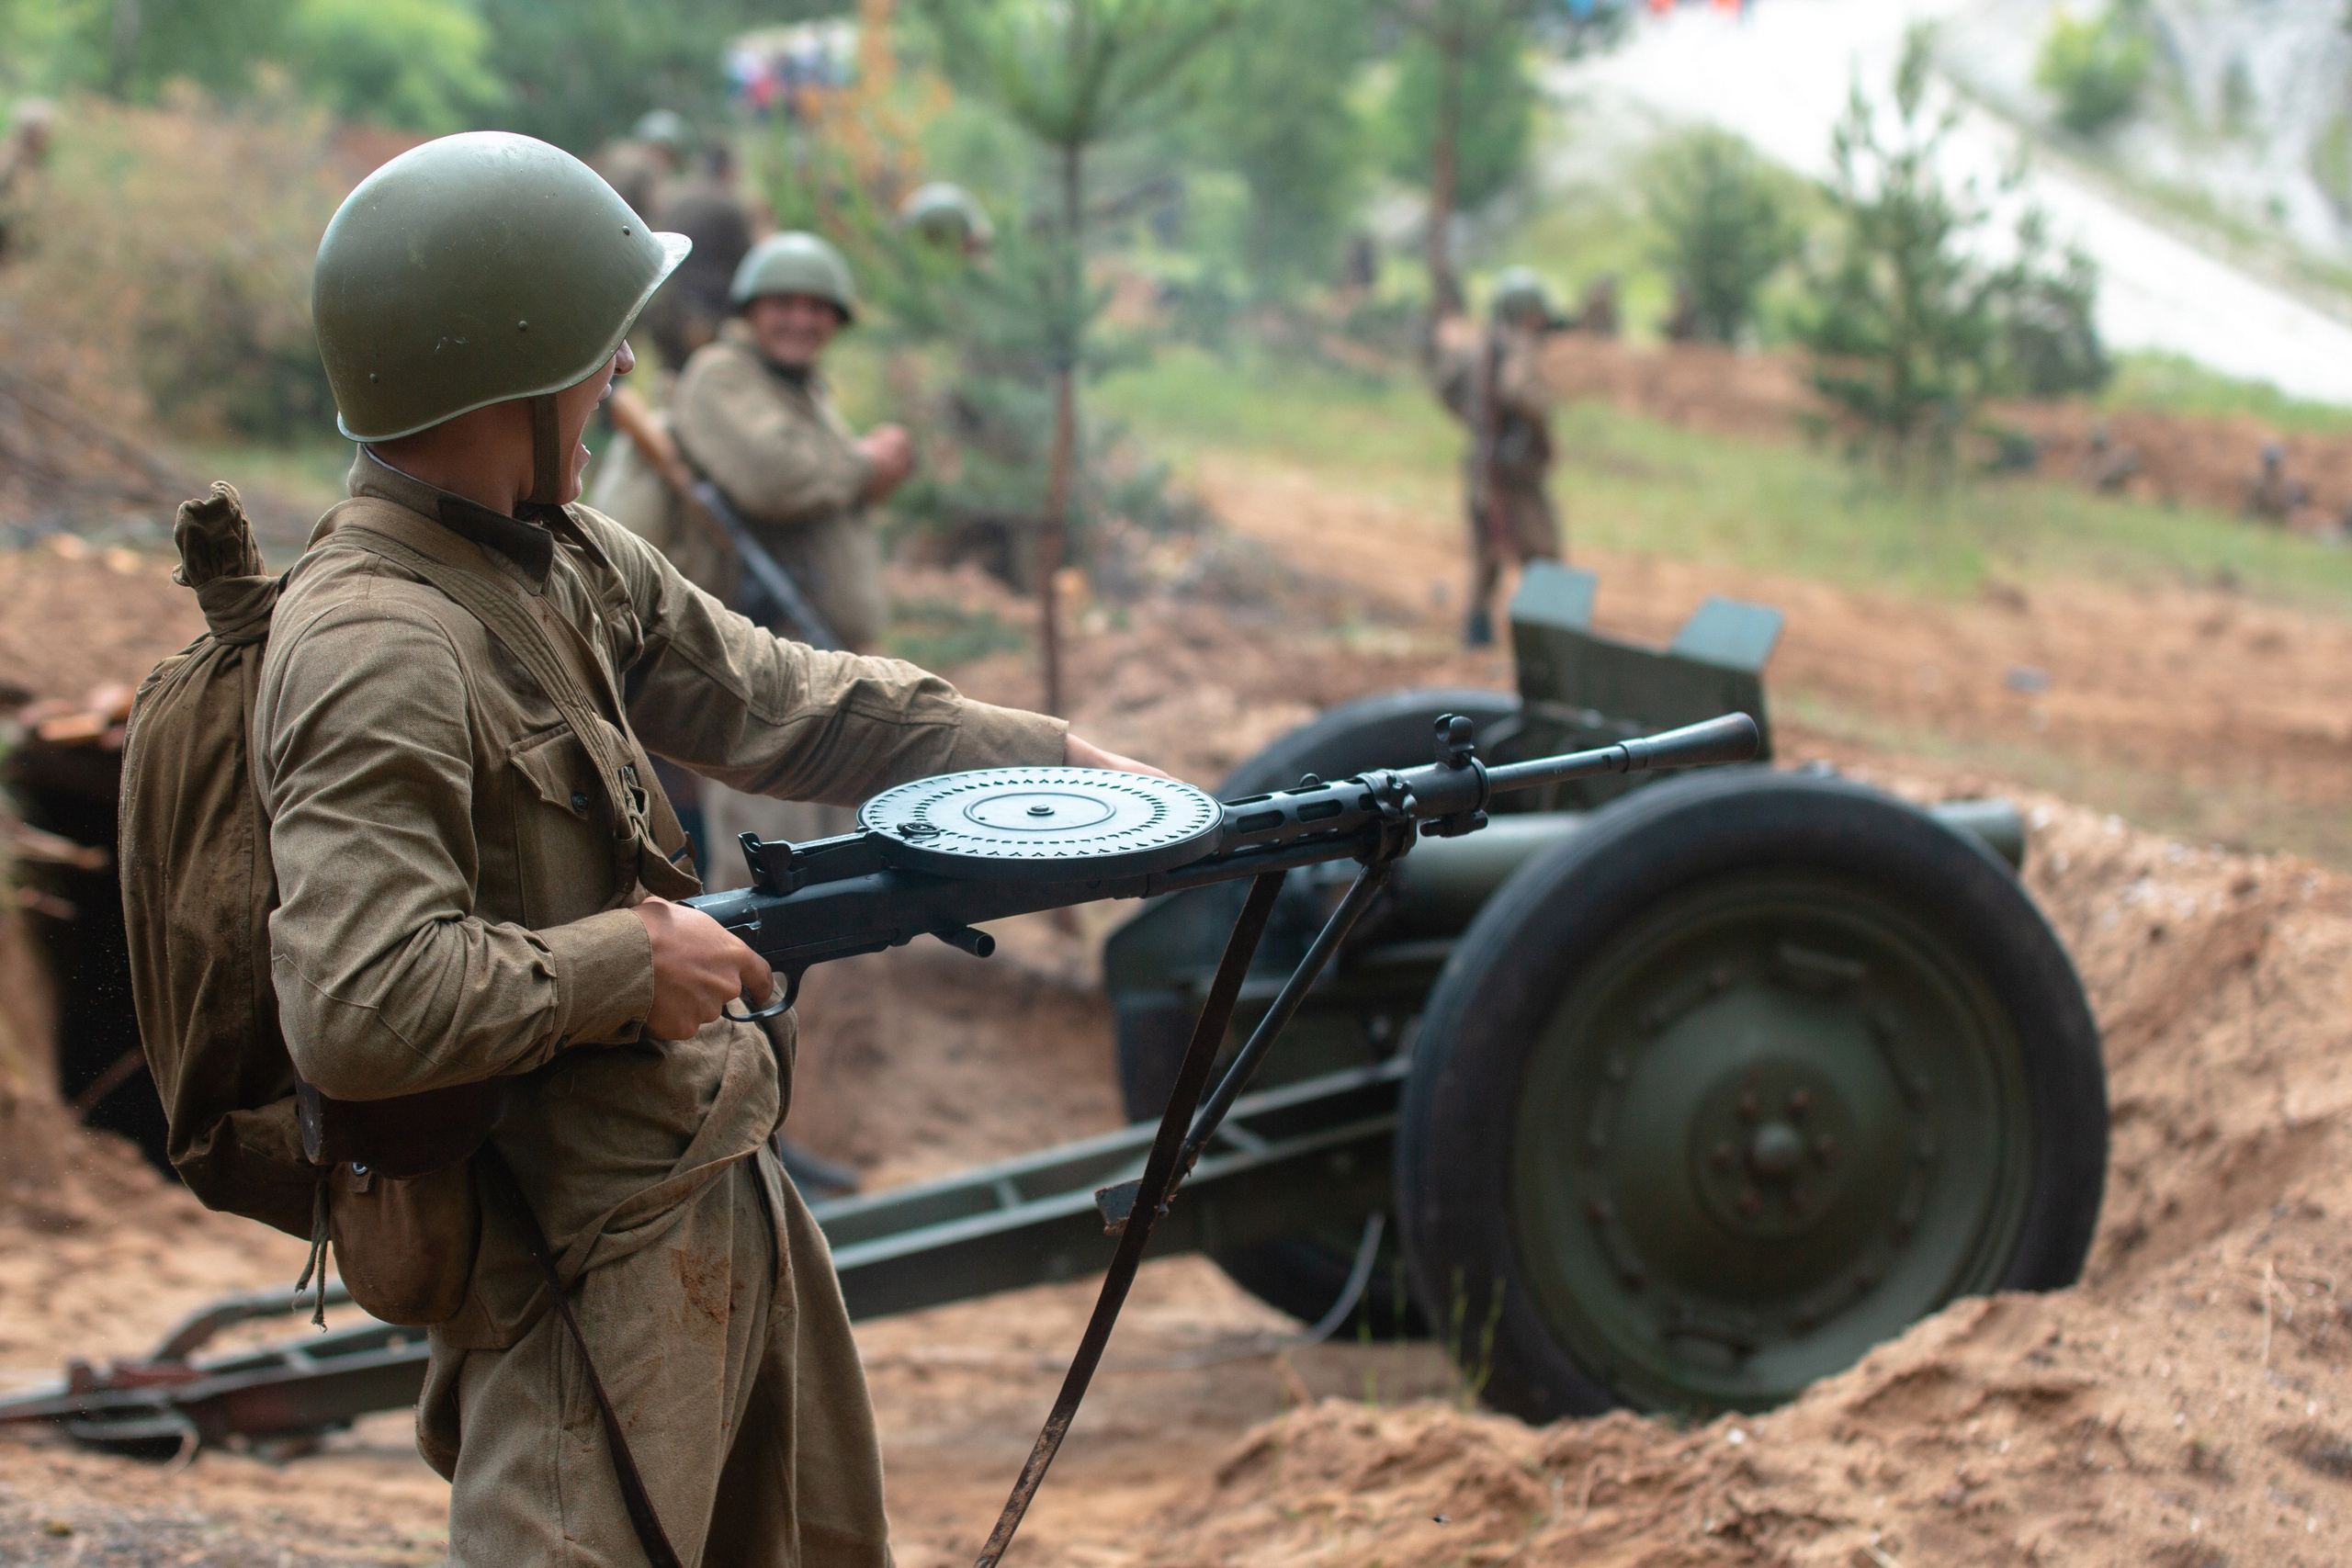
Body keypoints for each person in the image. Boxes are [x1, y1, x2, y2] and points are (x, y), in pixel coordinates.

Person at [274, 130, 1155, 1565]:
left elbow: (781, 698)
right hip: (563, 1254)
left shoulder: (558, 553)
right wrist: (633, 958)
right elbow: (358, 1004)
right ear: (513, 370)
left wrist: (1045, 758)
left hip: (706, 1178)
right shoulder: (375, 644)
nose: (624, 371)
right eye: (600, 344)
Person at [1430, 265, 1565, 647]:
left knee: (1486, 554)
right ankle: (1547, 645)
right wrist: (1540, 418)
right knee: (1543, 558)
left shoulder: (1477, 344)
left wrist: (1478, 423)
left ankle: (1476, 637)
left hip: (1480, 465)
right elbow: (1518, 390)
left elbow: (1447, 389)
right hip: (1513, 472)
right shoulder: (1518, 343)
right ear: (1526, 311)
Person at [645, 143, 755, 374]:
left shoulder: (676, 198)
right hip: (703, 321)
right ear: (728, 170)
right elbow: (749, 268)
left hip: (663, 310)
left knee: (672, 381)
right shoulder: (730, 206)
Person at [595, 107, 689, 223]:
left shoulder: (672, 189)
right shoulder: (628, 169)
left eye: (667, 155)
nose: (660, 160)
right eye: (656, 151)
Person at [0, 98, 55, 264]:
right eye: (43, 131)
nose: (48, 137)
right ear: (30, 132)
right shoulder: (9, 159)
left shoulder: (34, 160)